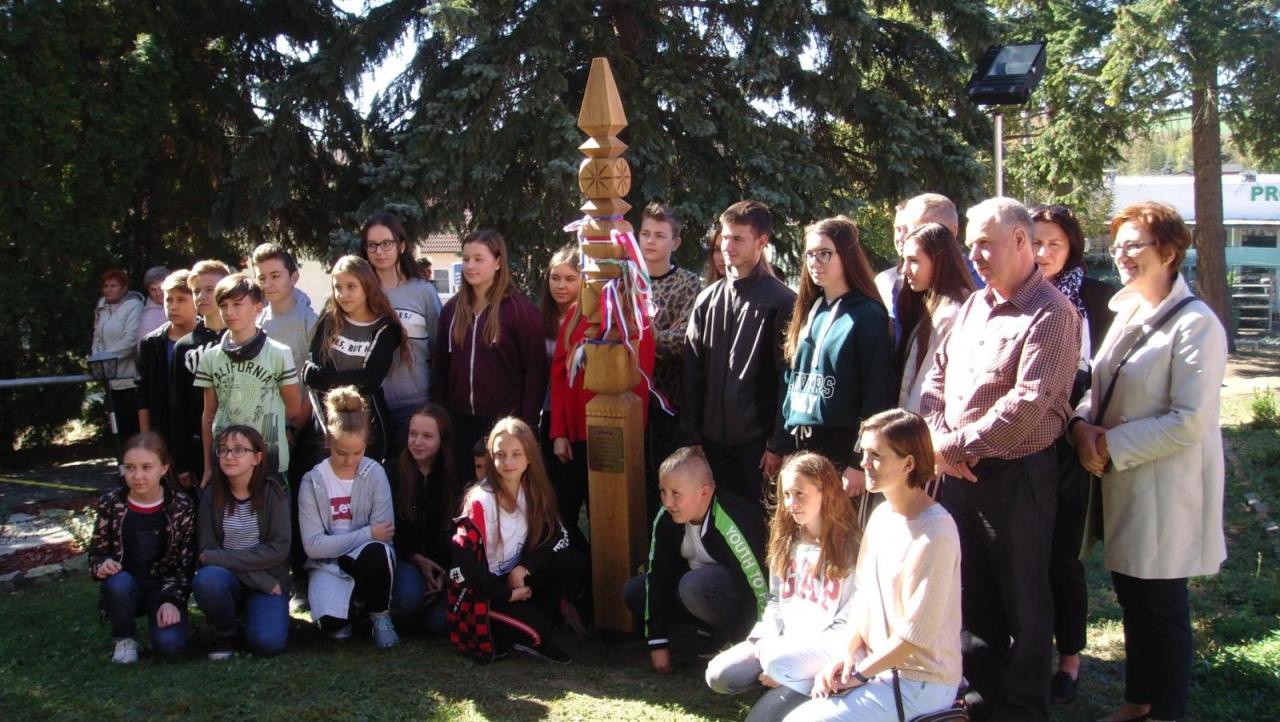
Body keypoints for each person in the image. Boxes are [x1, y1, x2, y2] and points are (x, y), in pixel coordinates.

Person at [920, 197, 1080, 721]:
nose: (974, 256)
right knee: (971, 595)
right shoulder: (972, 306)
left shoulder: (1053, 313)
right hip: (959, 476)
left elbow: (1028, 405)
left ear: (1019, 240)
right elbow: (936, 378)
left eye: (985, 244)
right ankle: (980, 700)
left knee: (1023, 601)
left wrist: (949, 448)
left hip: (1017, 479)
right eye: (971, 246)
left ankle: (1023, 709)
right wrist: (939, 438)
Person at [1069, 202, 1226, 722]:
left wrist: (1107, 445)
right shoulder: (1129, 310)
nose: (1121, 255)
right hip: (1124, 485)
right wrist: (1081, 426)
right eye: (1117, 246)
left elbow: (1189, 421)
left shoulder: (1196, 324)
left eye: (1134, 244)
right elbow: (1100, 388)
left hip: (1166, 490)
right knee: (1134, 598)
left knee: (1162, 607)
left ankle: (1166, 712)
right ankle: (1138, 702)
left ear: (1169, 251)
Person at [794, 409, 962, 721]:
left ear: (908, 464)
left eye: (876, 456)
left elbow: (916, 635)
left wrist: (859, 675)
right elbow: (864, 596)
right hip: (873, 663)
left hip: (919, 681)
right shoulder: (881, 514)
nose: (864, 463)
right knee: (781, 672)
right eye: (864, 453)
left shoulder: (937, 531)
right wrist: (846, 654)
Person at [1028, 203, 1117, 704]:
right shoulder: (1015, 296)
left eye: (1054, 244)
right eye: (1035, 242)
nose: (1043, 253)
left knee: (1062, 557)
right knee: (1023, 556)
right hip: (1023, 444)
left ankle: (1070, 658)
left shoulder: (1098, 299)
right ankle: (1028, 648)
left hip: (1071, 443)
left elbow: (1105, 377)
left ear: (1072, 248)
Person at [705, 452, 862, 720]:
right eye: (787, 494)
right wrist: (764, 639)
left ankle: (801, 687)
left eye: (800, 494)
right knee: (719, 675)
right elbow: (776, 600)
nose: (791, 503)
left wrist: (788, 663)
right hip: (781, 644)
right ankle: (781, 683)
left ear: (826, 491)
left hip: (820, 654)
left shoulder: (850, 549)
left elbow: (847, 622)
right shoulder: (787, 540)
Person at [684, 201, 796, 506]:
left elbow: (788, 379)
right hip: (710, 445)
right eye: (724, 237)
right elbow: (693, 373)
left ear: (761, 242)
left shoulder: (782, 302)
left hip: (757, 448)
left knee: (754, 524)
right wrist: (693, 436)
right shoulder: (707, 300)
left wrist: (778, 444)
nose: (727, 246)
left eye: (737, 239)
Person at [449, 417, 583, 664]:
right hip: (486, 591)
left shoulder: (531, 490)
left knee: (572, 560)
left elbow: (560, 535)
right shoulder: (480, 501)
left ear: (529, 457)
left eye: (516, 454)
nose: (508, 462)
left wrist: (524, 569)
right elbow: (463, 565)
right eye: (500, 455)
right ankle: (519, 629)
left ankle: (532, 621)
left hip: (515, 577)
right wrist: (505, 594)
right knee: (540, 632)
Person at [623, 446, 768, 673]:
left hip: (738, 596)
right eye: (663, 491)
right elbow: (657, 577)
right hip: (699, 592)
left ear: (704, 493)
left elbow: (759, 590)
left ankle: (732, 637)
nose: (667, 502)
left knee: (693, 585)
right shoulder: (665, 518)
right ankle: (705, 630)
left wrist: (750, 646)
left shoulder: (732, 520)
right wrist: (657, 643)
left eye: (676, 493)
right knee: (635, 591)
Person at [781, 216, 893, 497]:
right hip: (802, 445)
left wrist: (859, 460)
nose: (815, 262)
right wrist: (785, 444)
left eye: (824, 253)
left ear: (847, 255)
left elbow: (876, 393)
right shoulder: (810, 308)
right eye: (809, 254)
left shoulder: (867, 314)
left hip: (842, 448)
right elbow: (791, 379)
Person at [431, 229, 546, 480]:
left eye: (478, 259)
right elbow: (440, 368)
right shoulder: (452, 311)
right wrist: (442, 418)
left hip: (505, 423)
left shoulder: (520, 311)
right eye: (465, 259)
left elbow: (535, 372)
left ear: (498, 262)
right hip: (460, 422)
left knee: (504, 490)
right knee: (465, 491)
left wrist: (527, 425)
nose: (470, 266)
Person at [549, 294, 654, 554]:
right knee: (563, 516)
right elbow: (559, 376)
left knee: (611, 517)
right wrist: (559, 431)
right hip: (576, 436)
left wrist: (631, 434)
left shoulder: (636, 316)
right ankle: (579, 572)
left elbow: (642, 378)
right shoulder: (576, 314)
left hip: (616, 438)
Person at [298, 386, 400, 648]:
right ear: (328, 441)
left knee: (377, 553)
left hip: (364, 556)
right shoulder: (312, 481)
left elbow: (384, 537)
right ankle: (353, 607)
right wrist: (367, 533)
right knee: (334, 627)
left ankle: (379, 615)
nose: (349, 460)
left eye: (358, 452)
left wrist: (364, 539)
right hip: (328, 563)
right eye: (341, 452)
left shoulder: (375, 473)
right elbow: (313, 546)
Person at [88, 432, 195, 664]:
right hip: (125, 585)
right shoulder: (111, 503)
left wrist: (172, 600)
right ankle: (124, 636)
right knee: (118, 584)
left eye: (147, 467)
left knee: (171, 646)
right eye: (130, 468)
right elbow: (96, 553)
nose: (138, 476)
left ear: (164, 468)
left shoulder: (181, 506)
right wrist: (102, 564)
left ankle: (165, 620)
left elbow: (185, 563)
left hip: (162, 587)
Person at [195, 273, 305, 486]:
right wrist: (208, 467)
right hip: (226, 461)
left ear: (258, 307)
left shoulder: (279, 353)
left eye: (237, 304)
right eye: (223, 305)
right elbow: (209, 414)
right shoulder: (210, 357)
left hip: (268, 459)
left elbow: (293, 408)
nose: (229, 312)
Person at [193, 425, 292, 659]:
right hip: (238, 580)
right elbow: (207, 552)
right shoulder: (211, 494)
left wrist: (260, 579)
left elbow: (278, 550)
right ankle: (228, 632)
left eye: (238, 450)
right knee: (207, 580)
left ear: (257, 457)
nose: (229, 456)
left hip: (270, 578)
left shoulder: (274, 493)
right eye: (223, 450)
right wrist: (257, 578)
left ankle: (254, 617)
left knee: (267, 643)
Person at [303, 255, 405, 467]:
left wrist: (326, 379)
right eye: (338, 287)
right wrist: (344, 379)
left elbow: (370, 380)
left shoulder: (385, 328)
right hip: (327, 422)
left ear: (367, 286)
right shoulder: (329, 319)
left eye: (351, 286)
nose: (343, 294)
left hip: (367, 423)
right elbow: (311, 372)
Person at [359, 212, 444, 461]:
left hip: (416, 404)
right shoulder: (359, 293)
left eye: (387, 243)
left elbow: (439, 349)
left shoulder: (423, 292)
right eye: (372, 245)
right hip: (372, 406)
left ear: (402, 246)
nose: (379, 251)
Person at [640, 202, 703, 519]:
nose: (650, 241)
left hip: (669, 403)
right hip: (630, 401)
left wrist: (647, 339)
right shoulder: (626, 282)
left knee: (667, 482)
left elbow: (684, 339)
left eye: (659, 235)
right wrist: (656, 335)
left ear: (675, 242)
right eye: (645, 233)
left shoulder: (689, 283)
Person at [390, 403, 458, 635]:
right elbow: (389, 529)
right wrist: (417, 560)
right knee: (409, 600)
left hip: (442, 563)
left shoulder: (453, 476)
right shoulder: (392, 472)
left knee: (439, 625)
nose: (417, 442)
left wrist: (446, 573)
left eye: (427, 436)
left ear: (442, 439)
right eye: (413, 434)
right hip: (406, 558)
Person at [894, 223, 975, 413]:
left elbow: (932, 387)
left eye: (914, 260)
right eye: (904, 260)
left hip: (929, 423)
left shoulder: (952, 314)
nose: (905, 269)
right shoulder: (928, 305)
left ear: (940, 261)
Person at [171, 260, 234, 488]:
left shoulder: (243, 339)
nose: (202, 296)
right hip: (200, 444)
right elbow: (178, 405)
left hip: (242, 439)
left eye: (210, 289)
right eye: (196, 291)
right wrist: (182, 460)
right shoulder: (184, 347)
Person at [136, 270, 197, 448]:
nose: (173, 306)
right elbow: (143, 394)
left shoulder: (210, 338)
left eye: (181, 299)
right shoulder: (151, 343)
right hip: (164, 432)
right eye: (169, 300)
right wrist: (146, 439)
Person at [92, 268, 146, 453]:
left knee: (131, 427)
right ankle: (123, 463)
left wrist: (106, 357)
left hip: (129, 378)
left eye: (113, 286)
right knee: (117, 428)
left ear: (124, 288)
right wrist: (96, 357)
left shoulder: (134, 306)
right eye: (106, 286)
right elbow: (97, 336)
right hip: (110, 379)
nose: (108, 290)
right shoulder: (101, 308)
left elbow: (130, 340)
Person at [136, 265, 171, 348]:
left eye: (161, 288)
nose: (158, 293)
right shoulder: (148, 316)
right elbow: (143, 347)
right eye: (153, 289)